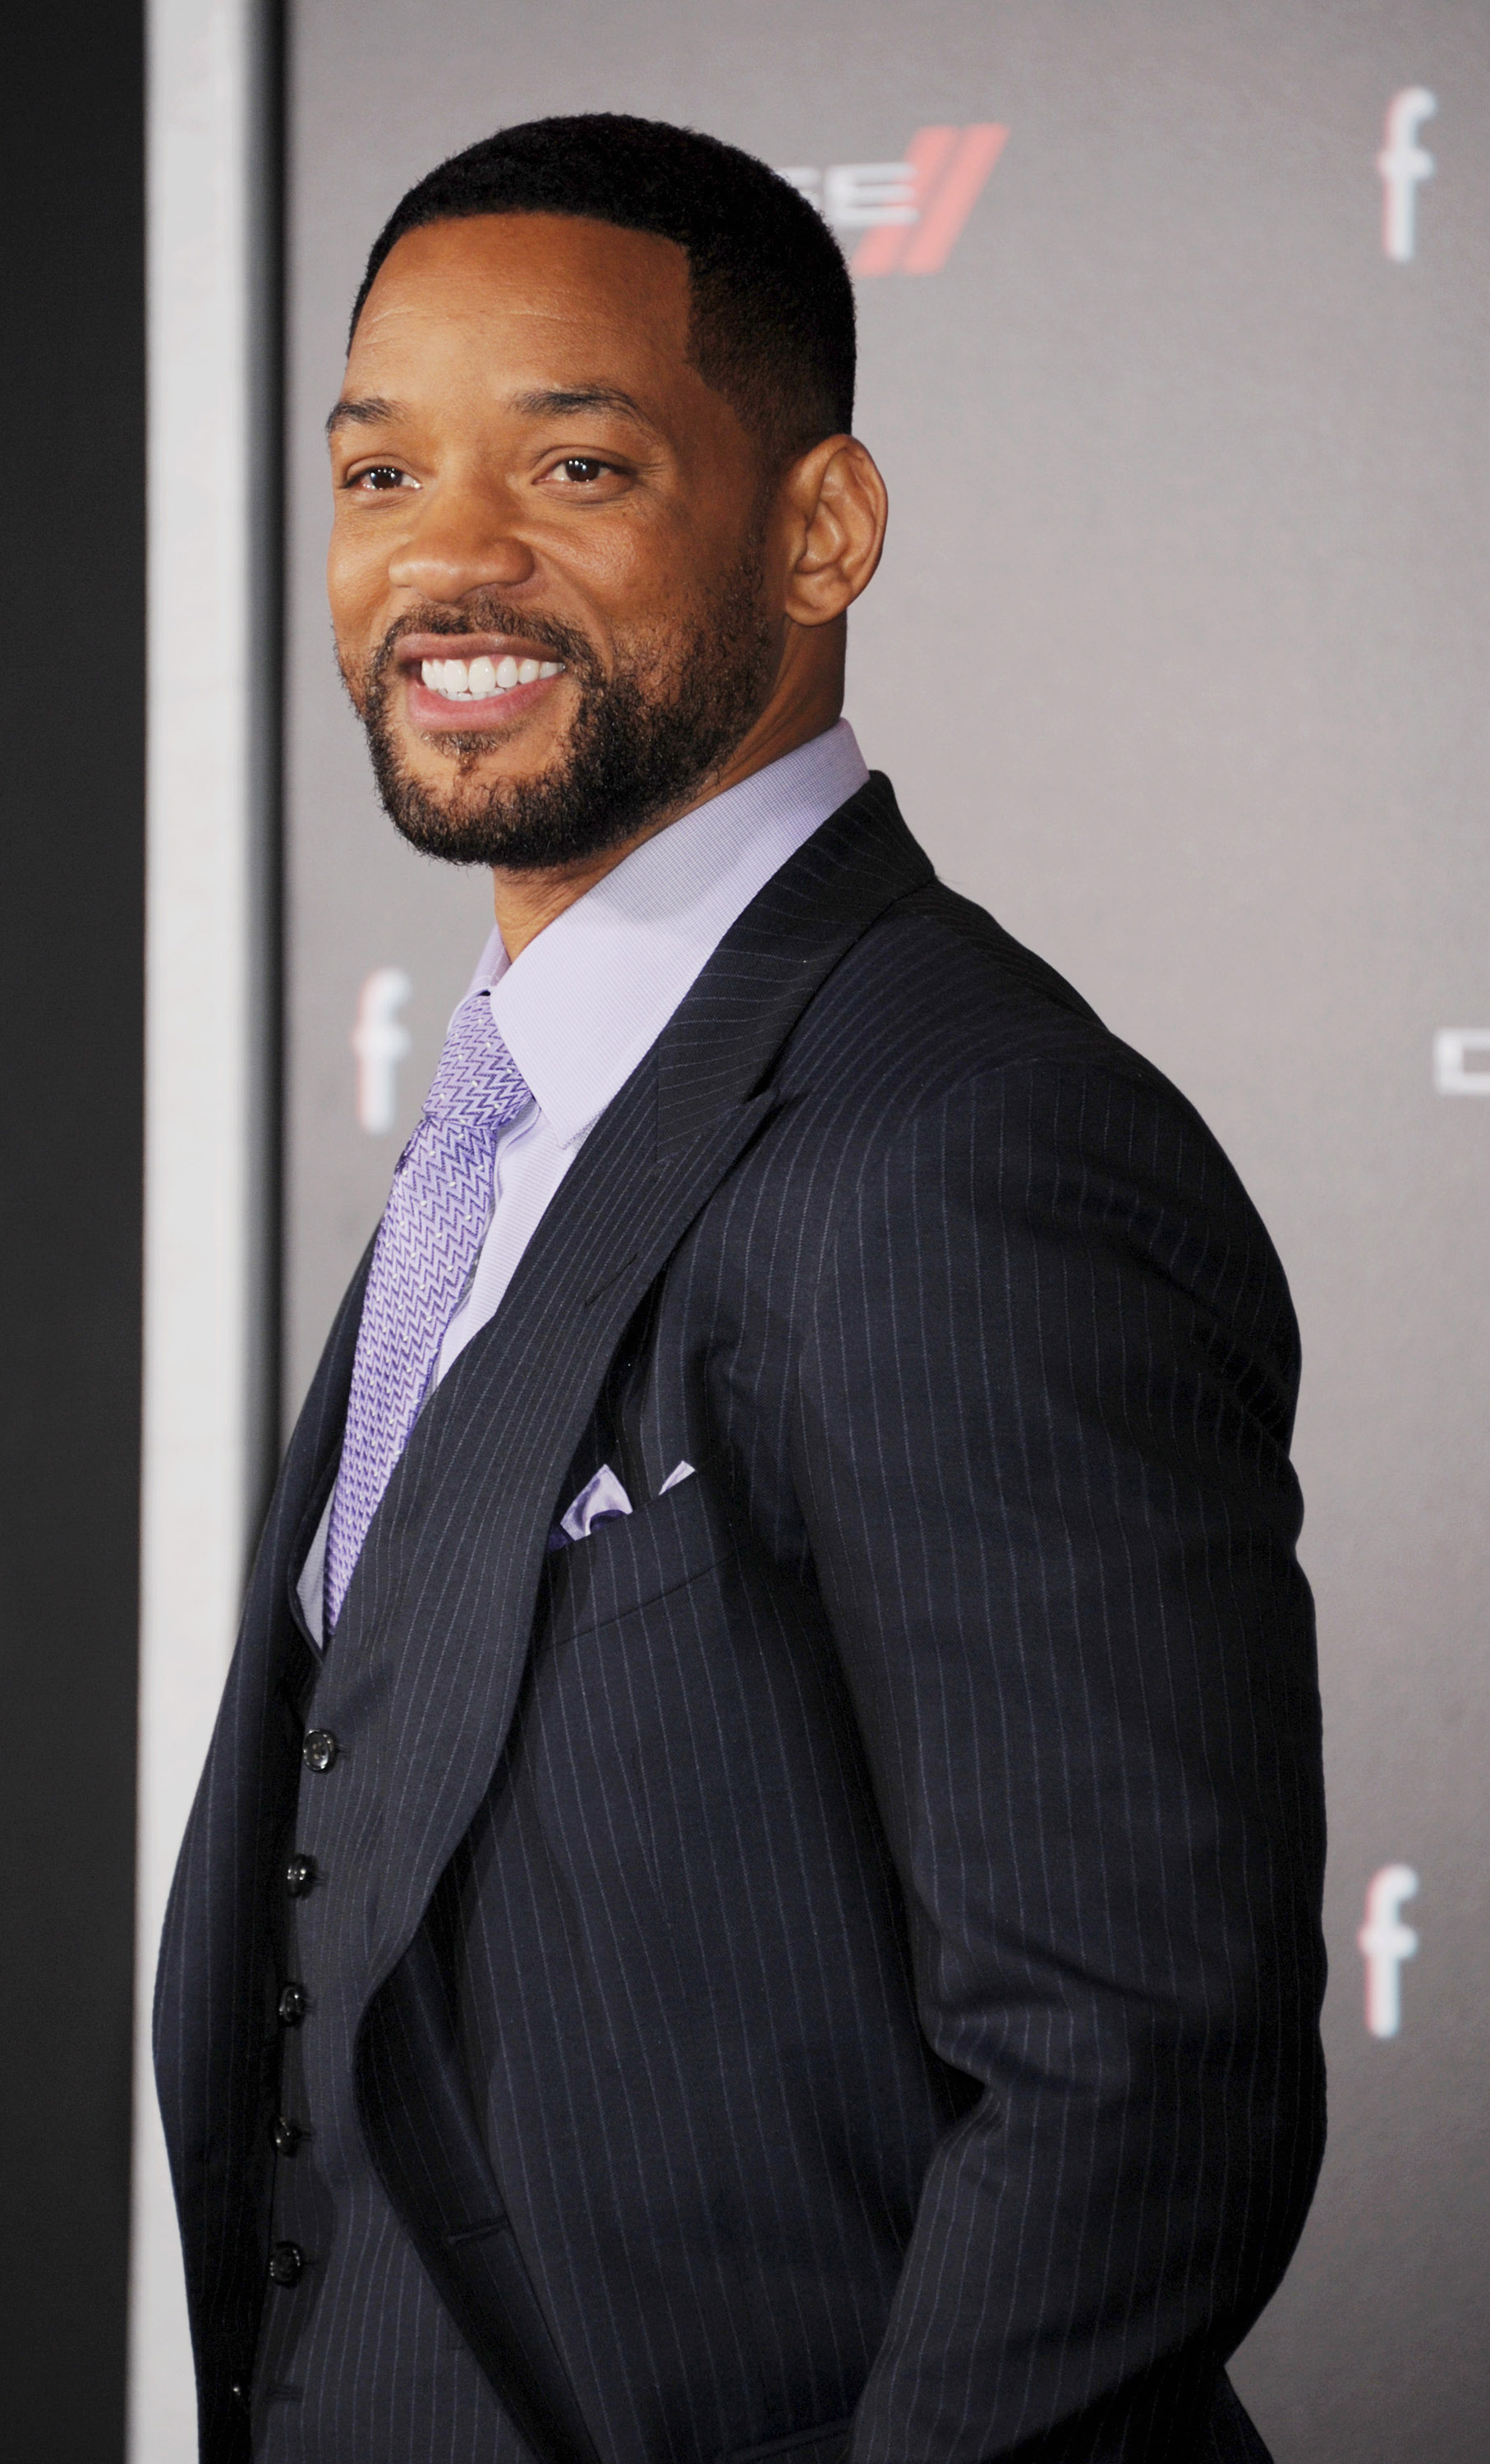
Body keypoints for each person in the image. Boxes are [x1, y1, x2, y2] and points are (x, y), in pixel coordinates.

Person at [155, 114, 1325, 2464]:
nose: (444, 565)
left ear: (824, 529)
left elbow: (1131, 2078)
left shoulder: (958, 1140)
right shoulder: (525, 1107)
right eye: (380, 480)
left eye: (574, 467)